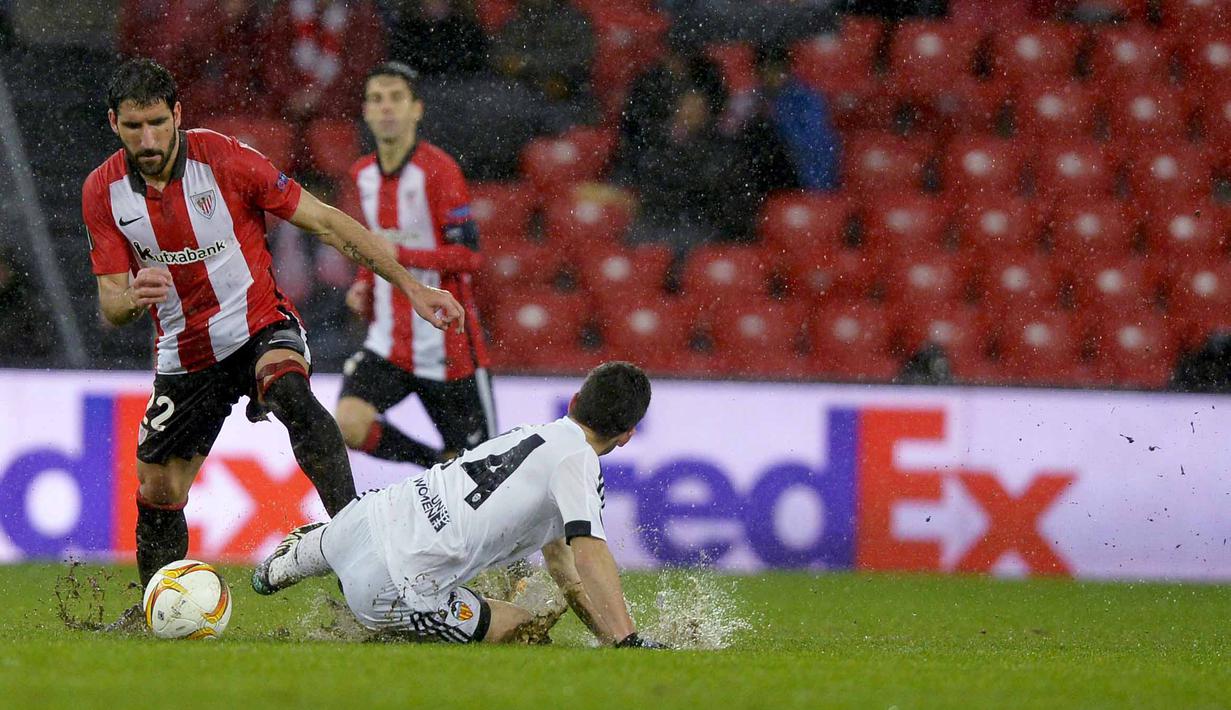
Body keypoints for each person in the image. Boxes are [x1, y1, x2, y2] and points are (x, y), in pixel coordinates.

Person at [80, 59, 464, 613]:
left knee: (288, 390)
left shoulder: (226, 160)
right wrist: (129, 299)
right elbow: (111, 302)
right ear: (114, 122)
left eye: (159, 123)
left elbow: (329, 223)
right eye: (135, 126)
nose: (149, 138)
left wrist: (411, 287)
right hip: (185, 354)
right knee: (159, 491)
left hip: (261, 324)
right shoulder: (102, 192)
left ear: (178, 115)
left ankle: (362, 555)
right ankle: (157, 611)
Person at [253, 361, 666, 648]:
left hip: (361, 518)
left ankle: (287, 563)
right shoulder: (579, 463)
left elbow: (561, 564)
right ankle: (380, 604)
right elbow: (588, 555)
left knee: (264, 581)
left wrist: (605, 634)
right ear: (627, 434)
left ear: (575, 401)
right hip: (392, 588)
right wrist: (627, 638)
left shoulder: (530, 434)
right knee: (525, 631)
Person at [335, 62, 494, 469]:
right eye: (376, 99)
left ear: (416, 109)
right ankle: (435, 464)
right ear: (366, 111)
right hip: (388, 344)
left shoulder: (440, 171)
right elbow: (374, 240)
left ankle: (457, 467)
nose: (386, 108)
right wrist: (365, 279)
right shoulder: (361, 174)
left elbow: (468, 257)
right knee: (348, 423)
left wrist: (394, 258)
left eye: (396, 98)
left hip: (448, 347)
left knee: (487, 478)